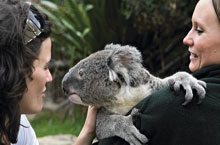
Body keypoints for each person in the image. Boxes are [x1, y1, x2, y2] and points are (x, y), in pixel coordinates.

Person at [74, 0, 220, 144]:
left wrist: (87, 132)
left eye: (199, 30)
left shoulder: (172, 104)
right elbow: (161, 85)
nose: (186, 39)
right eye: (191, 27)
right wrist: (181, 77)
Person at [0, 0, 53, 144]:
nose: (50, 77)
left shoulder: (17, 126)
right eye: (45, 67)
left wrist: (87, 134)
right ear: (18, 69)